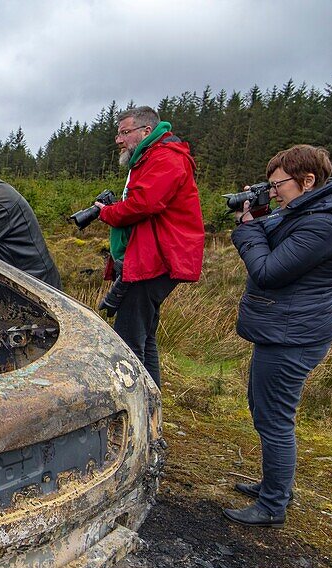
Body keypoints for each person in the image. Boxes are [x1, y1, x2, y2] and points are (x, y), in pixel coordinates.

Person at [224, 145, 332, 528]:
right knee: (262, 407)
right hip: (285, 326)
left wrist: (247, 228)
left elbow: (268, 271)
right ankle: (273, 486)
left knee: (275, 419)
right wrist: (258, 214)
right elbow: (277, 239)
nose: (274, 193)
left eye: (279, 185)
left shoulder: (326, 224)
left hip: (294, 333)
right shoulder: (311, 208)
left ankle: (273, 505)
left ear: (308, 181)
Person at [94, 106, 204, 389]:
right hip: (150, 258)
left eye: (125, 132)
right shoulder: (151, 157)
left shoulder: (166, 157)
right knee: (144, 337)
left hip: (156, 261)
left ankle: (137, 414)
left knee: (127, 341)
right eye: (118, 133)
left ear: (146, 131)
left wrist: (107, 212)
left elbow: (145, 204)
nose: (119, 139)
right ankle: (151, 410)